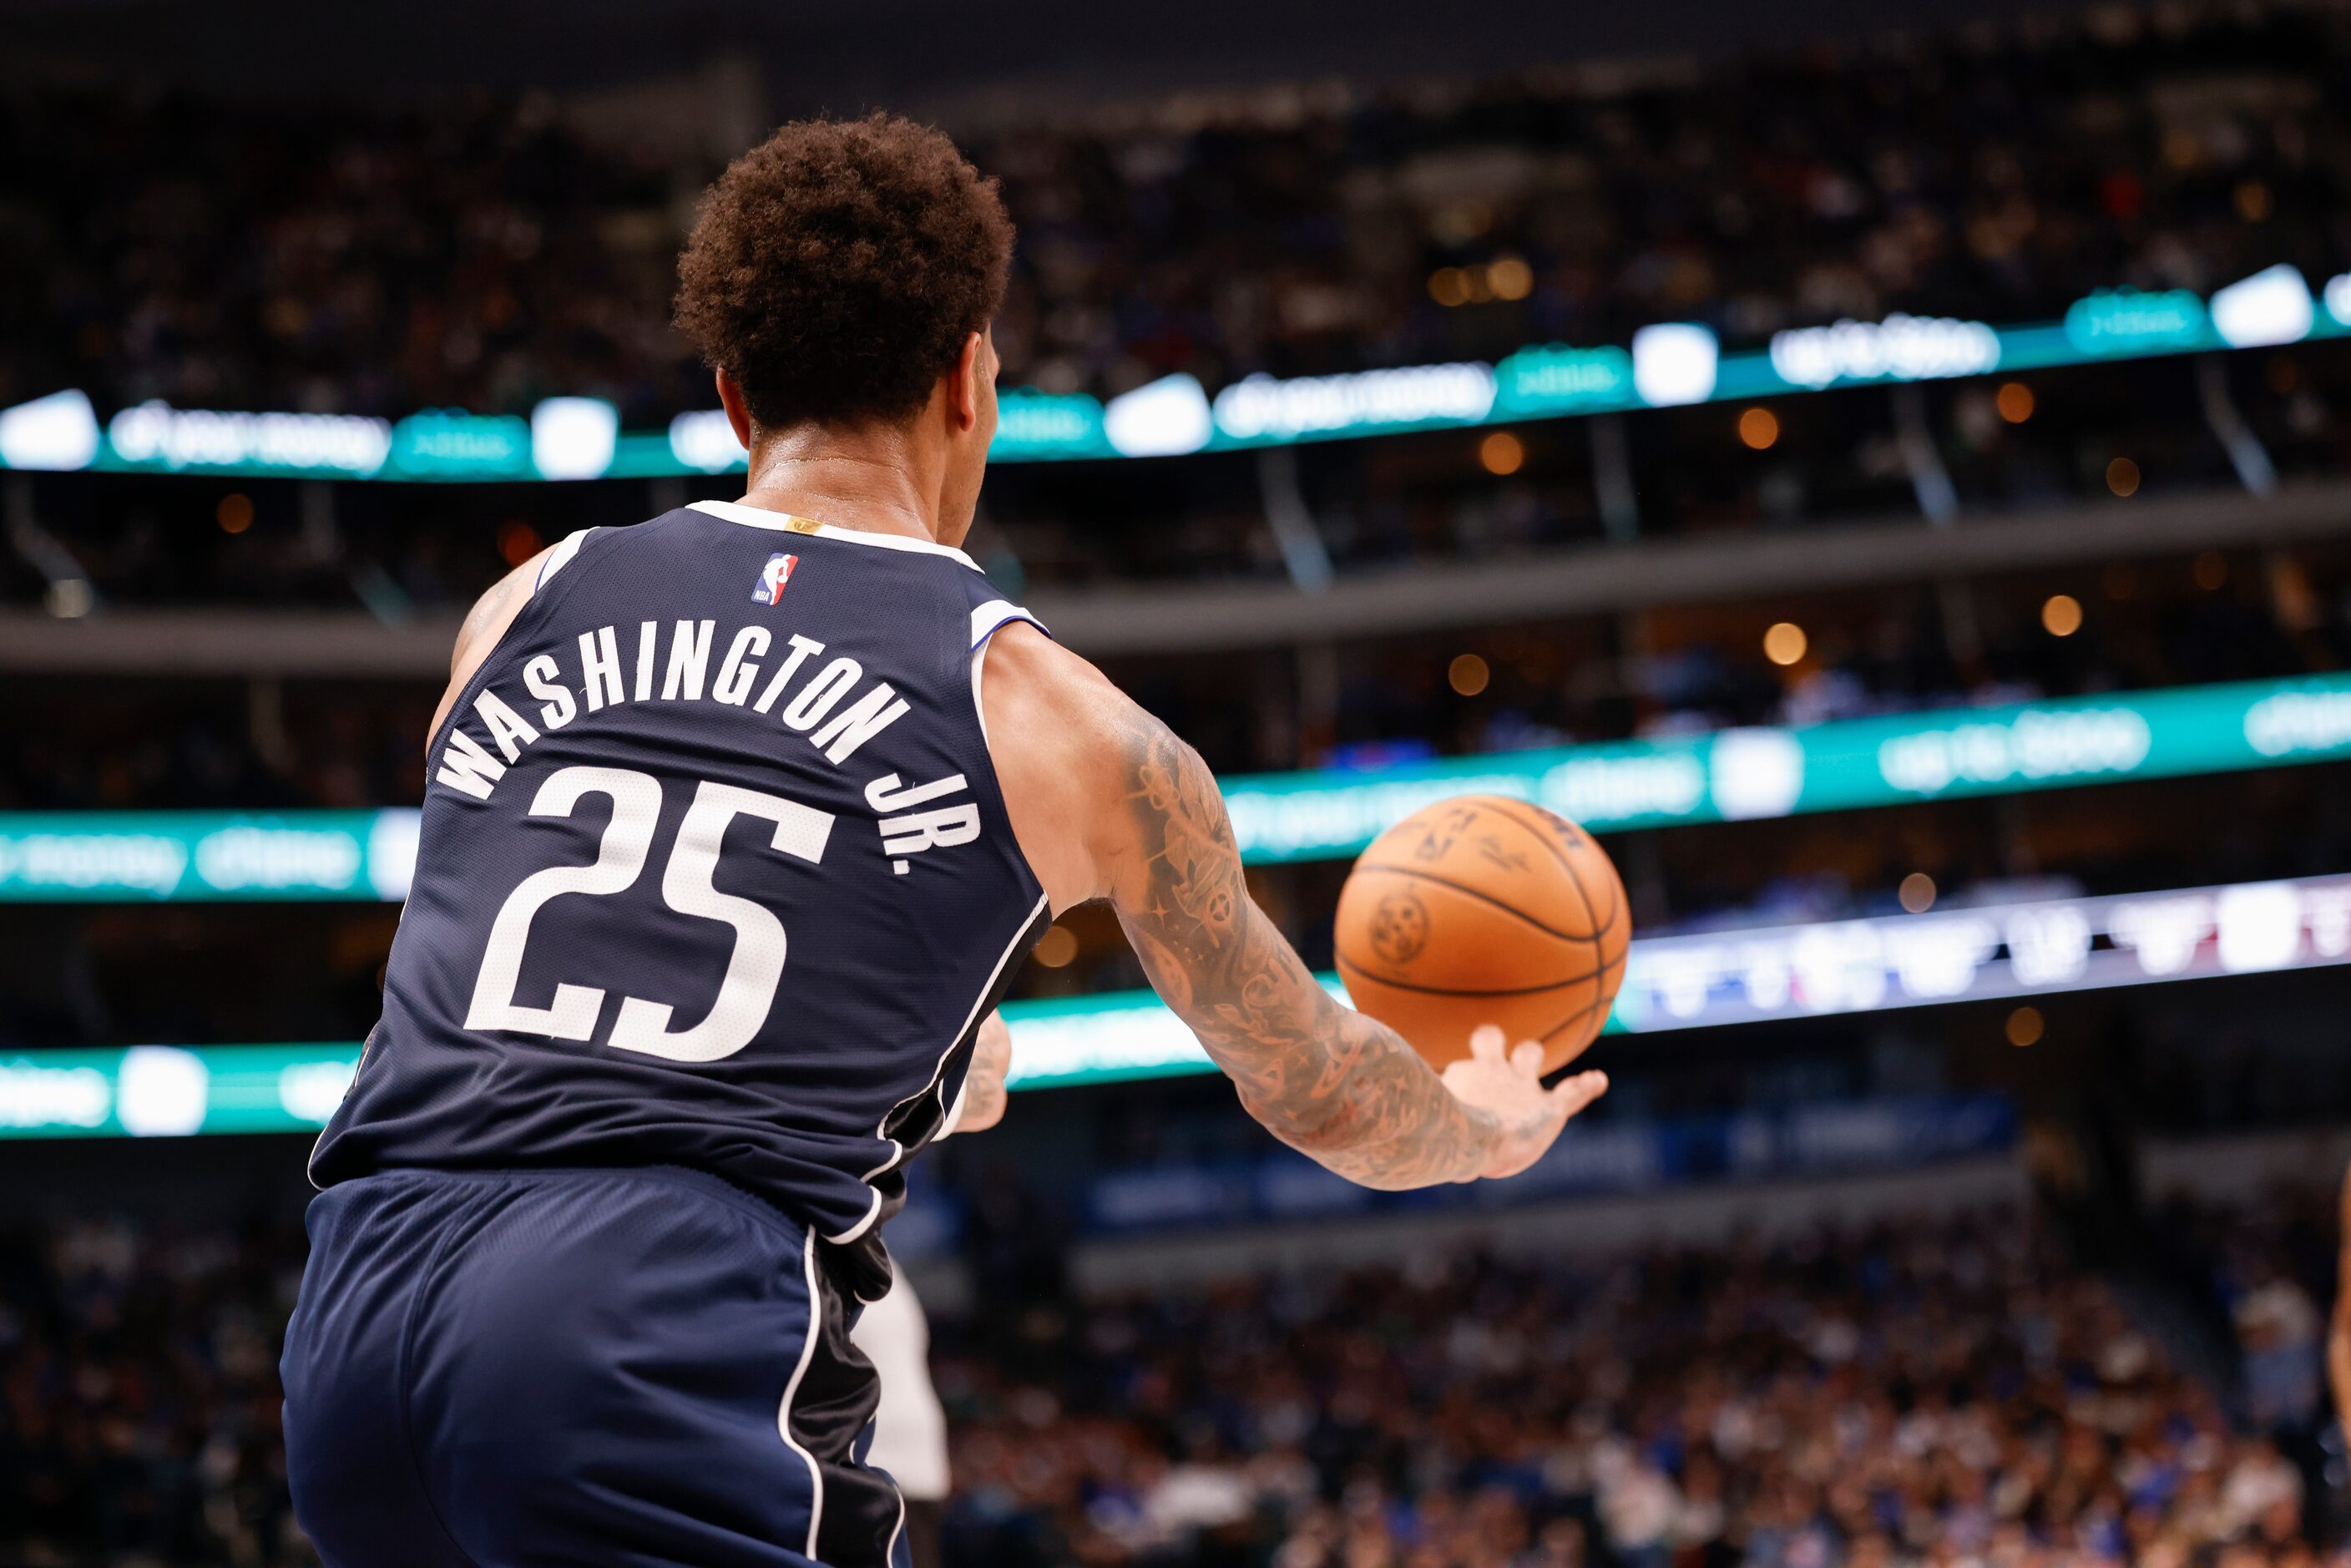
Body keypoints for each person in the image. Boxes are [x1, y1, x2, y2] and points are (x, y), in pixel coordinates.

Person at [279, 113, 1608, 1568]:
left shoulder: (523, 605)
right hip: (645, 1330)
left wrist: (917, 1067)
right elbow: (1321, 1088)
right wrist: (1481, 1131)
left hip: (358, 1316)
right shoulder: (1069, 728)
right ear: (971, 375)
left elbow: (550, 964)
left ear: (732, 393)